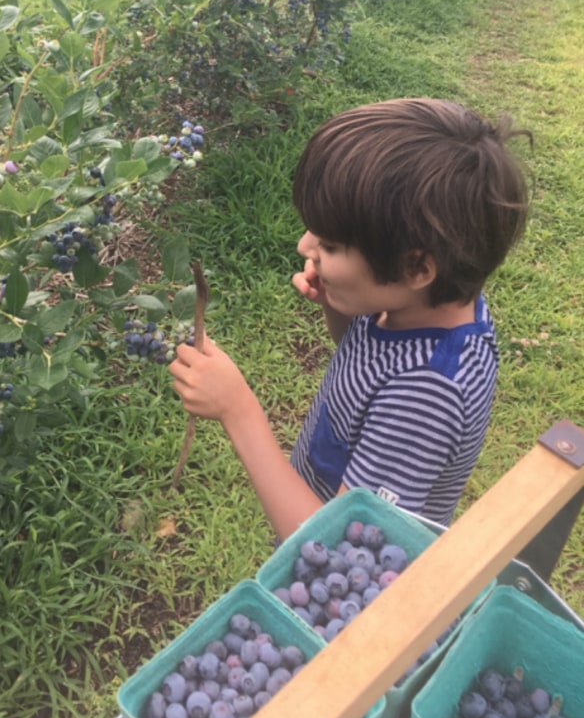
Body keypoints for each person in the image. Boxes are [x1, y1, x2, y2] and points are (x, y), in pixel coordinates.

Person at [169, 98, 530, 541]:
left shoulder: (429, 391)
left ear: (417, 268)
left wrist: (238, 410)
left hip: (350, 591)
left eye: (332, 246)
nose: (305, 247)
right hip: (318, 499)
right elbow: (362, 353)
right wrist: (335, 306)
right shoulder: (418, 302)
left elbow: (336, 549)